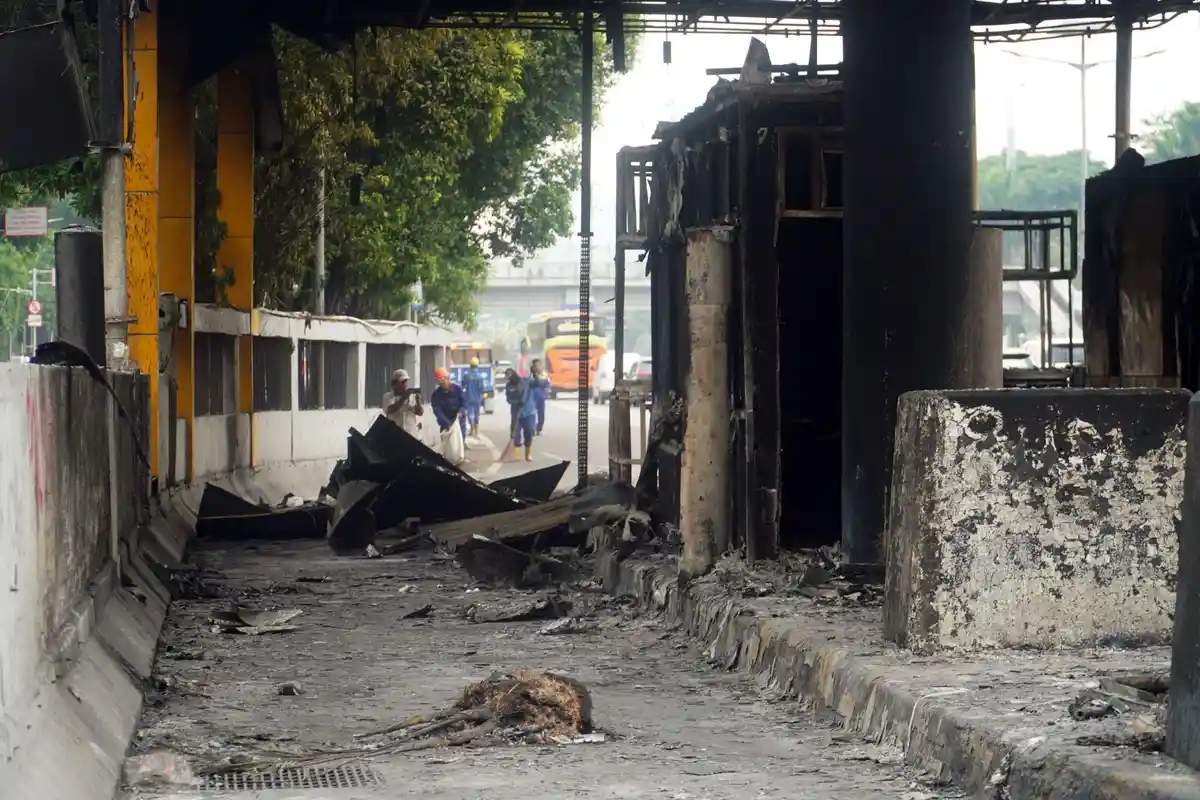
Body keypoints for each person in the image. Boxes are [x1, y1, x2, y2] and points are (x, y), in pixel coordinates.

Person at [504, 367, 537, 462]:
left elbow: (537, 383)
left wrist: (535, 375)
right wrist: (517, 402)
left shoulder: (526, 381)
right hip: (516, 412)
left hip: (528, 412)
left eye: (508, 375)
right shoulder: (509, 386)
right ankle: (517, 454)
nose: (507, 378)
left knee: (529, 431)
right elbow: (508, 399)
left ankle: (528, 454)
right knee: (515, 432)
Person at [382, 369, 423, 438]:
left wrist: (418, 401)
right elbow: (389, 410)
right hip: (395, 435)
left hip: (411, 434)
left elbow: (420, 412)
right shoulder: (388, 397)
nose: (405, 384)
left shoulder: (411, 396)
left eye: (406, 381)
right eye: (402, 382)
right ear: (395, 384)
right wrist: (403, 398)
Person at [430, 366, 468, 441]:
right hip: (445, 426)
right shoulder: (436, 395)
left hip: (459, 424)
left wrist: (460, 413)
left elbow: (464, 403)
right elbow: (438, 412)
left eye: (444, 381)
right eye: (440, 383)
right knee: (447, 448)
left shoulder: (458, 389)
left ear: (448, 379)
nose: (443, 385)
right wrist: (448, 424)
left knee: (459, 446)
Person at [463, 357, 487, 439]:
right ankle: (476, 432)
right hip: (477, 398)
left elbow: (463, 385)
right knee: (477, 414)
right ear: (477, 365)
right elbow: (482, 389)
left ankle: (471, 430)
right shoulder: (480, 376)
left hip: (469, 398)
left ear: (470, 365)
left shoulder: (467, 375)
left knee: (470, 414)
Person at [529, 358, 550, 436]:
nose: (538, 367)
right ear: (533, 367)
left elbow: (546, 384)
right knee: (532, 414)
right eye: (536, 365)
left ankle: (539, 428)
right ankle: (533, 429)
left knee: (541, 415)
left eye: (539, 365)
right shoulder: (530, 375)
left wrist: (546, 393)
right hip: (532, 397)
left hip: (541, 397)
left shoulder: (544, 375)